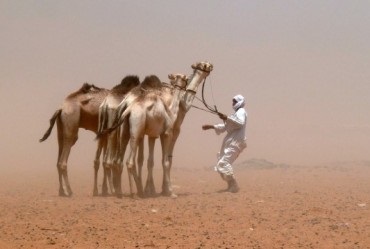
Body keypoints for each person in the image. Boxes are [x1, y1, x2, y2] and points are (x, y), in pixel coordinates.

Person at [202, 94, 247, 193]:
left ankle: (234, 186)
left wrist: (226, 118)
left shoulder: (241, 111)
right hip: (231, 142)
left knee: (224, 163)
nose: (233, 103)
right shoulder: (235, 114)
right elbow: (226, 126)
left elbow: (240, 123)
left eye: (235, 101)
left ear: (239, 102)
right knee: (220, 164)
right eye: (233, 101)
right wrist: (211, 126)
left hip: (236, 142)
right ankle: (231, 186)